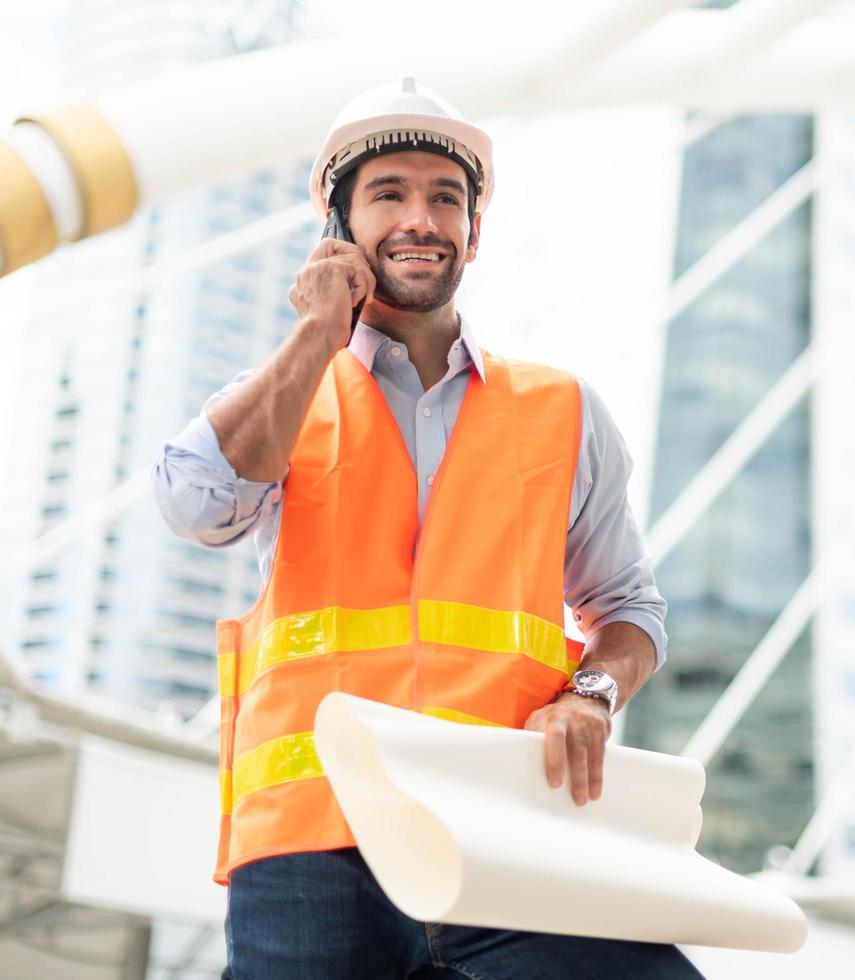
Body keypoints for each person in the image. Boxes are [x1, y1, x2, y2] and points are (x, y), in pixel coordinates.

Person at [152, 77, 703, 980]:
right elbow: (194, 506)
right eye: (388, 195)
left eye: (446, 198)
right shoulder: (287, 396)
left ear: (474, 233)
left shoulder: (562, 410)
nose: (420, 219)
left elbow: (631, 611)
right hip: (313, 846)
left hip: (508, 831)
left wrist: (591, 693)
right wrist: (316, 336)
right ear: (339, 228)